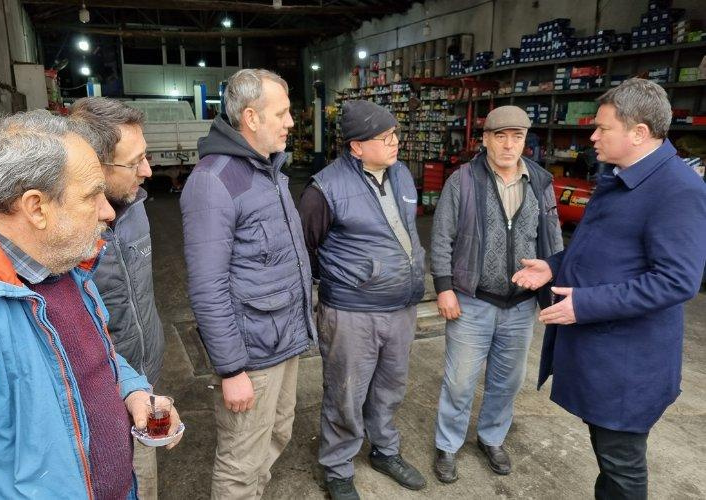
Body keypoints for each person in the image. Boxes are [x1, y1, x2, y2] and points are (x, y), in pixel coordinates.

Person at [0, 110, 182, 500]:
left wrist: (132, 391)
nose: (108, 211)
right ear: (36, 208)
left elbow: (95, 357)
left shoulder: (62, 262)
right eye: (92, 196)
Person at [513, 78, 706, 499]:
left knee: (622, 466)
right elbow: (602, 248)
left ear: (639, 133)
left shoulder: (677, 190)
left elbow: (677, 280)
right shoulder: (621, 177)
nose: (593, 137)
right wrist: (553, 266)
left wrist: (585, 304)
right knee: (608, 456)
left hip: (628, 364)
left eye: (603, 128)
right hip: (603, 353)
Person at [180, 68, 315, 499]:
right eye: (282, 113)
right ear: (251, 118)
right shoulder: (213, 180)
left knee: (278, 431)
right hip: (251, 354)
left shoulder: (269, 170)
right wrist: (231, 369)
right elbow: (207, 287)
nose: (290, 122)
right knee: (241, 461)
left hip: (283, 339)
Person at [298, 100, 427, 500]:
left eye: (395, 134)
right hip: (352, 312)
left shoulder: (401, 174)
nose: (395, 143)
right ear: (356, 146)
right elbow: (306, 248)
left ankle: (384, 450)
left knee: (391, 387)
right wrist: (349, 280)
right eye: (385, 138)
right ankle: (338, 468)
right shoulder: (324, 189)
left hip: (401, 306)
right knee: (346, 393)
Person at [430, 105, 563, 482]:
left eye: (516, 137)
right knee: (460, 381)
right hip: (473, 300)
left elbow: (553, 238)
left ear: (526, 141)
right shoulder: (463, 180)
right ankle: (448, 444)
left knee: (508, 381)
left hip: (520, 305)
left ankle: (491, 437)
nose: (508, 145)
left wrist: (553, 284)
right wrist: (444, 288)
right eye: (500, 136)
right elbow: (441, 237)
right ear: (485, 139)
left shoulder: (540, 181)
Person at [70, 97, 166, 500]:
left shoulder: (135, 204)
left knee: (145, 483)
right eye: (135, 162)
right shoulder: (66, 234)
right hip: (98, 401)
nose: (148, 171)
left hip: (145, 379)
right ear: (94, 165)